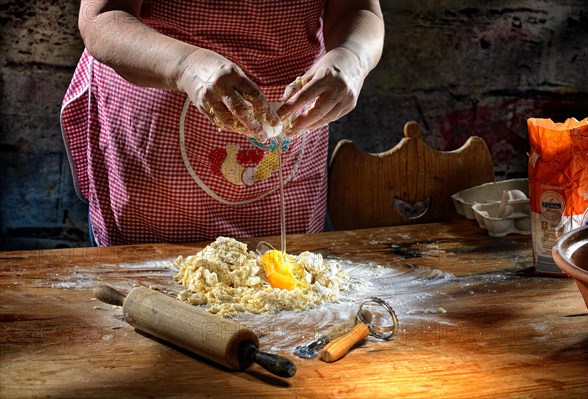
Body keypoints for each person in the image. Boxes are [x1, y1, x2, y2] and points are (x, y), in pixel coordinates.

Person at [61, 0, 385, 246]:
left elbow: (359, 9)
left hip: (286, 138)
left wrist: (353, 56)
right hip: (157, 135)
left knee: (285, 292)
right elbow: (103, 18)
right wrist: (187, 65)